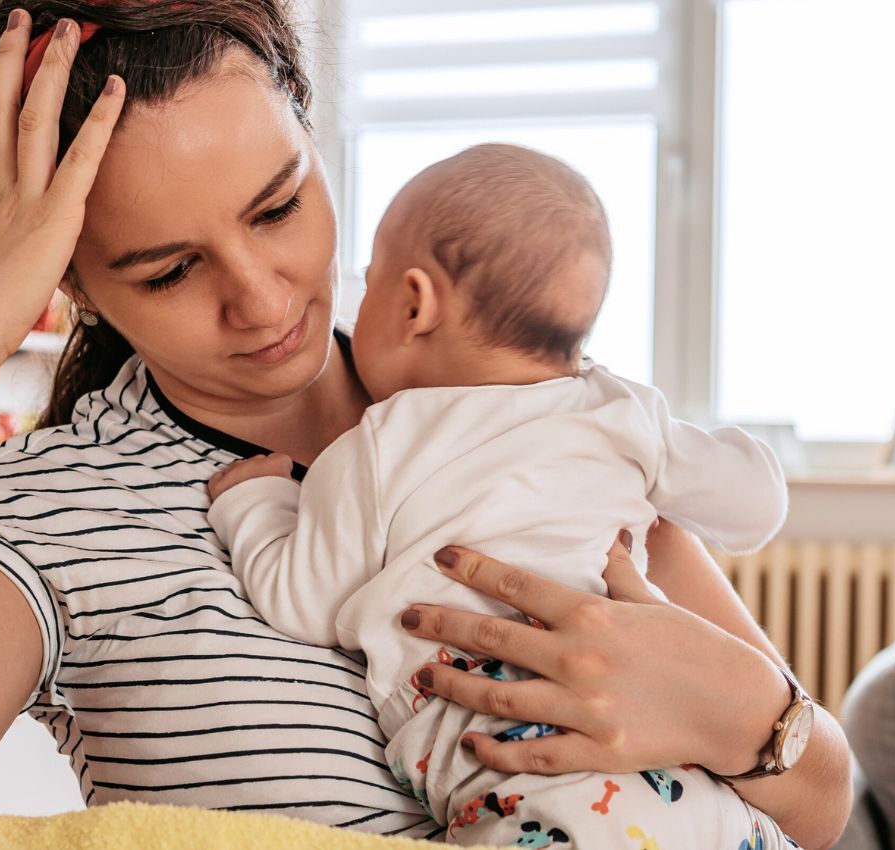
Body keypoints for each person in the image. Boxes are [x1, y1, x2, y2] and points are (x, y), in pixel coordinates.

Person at [0, 3, 854, 849]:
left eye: (278, 206)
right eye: (169, 270)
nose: (262, 299)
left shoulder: (520, 401)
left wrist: (741, 713)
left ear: (312, 132)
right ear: (73, 281)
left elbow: (821, 796)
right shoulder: (63, 503)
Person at [203, 144, 793, 848]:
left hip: (528, 783)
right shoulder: (622, 410)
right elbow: (757, 509)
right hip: (683, 766)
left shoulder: (378, 444)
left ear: (414, 303)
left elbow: (300, 600)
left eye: (371, 278)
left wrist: (254, 501)